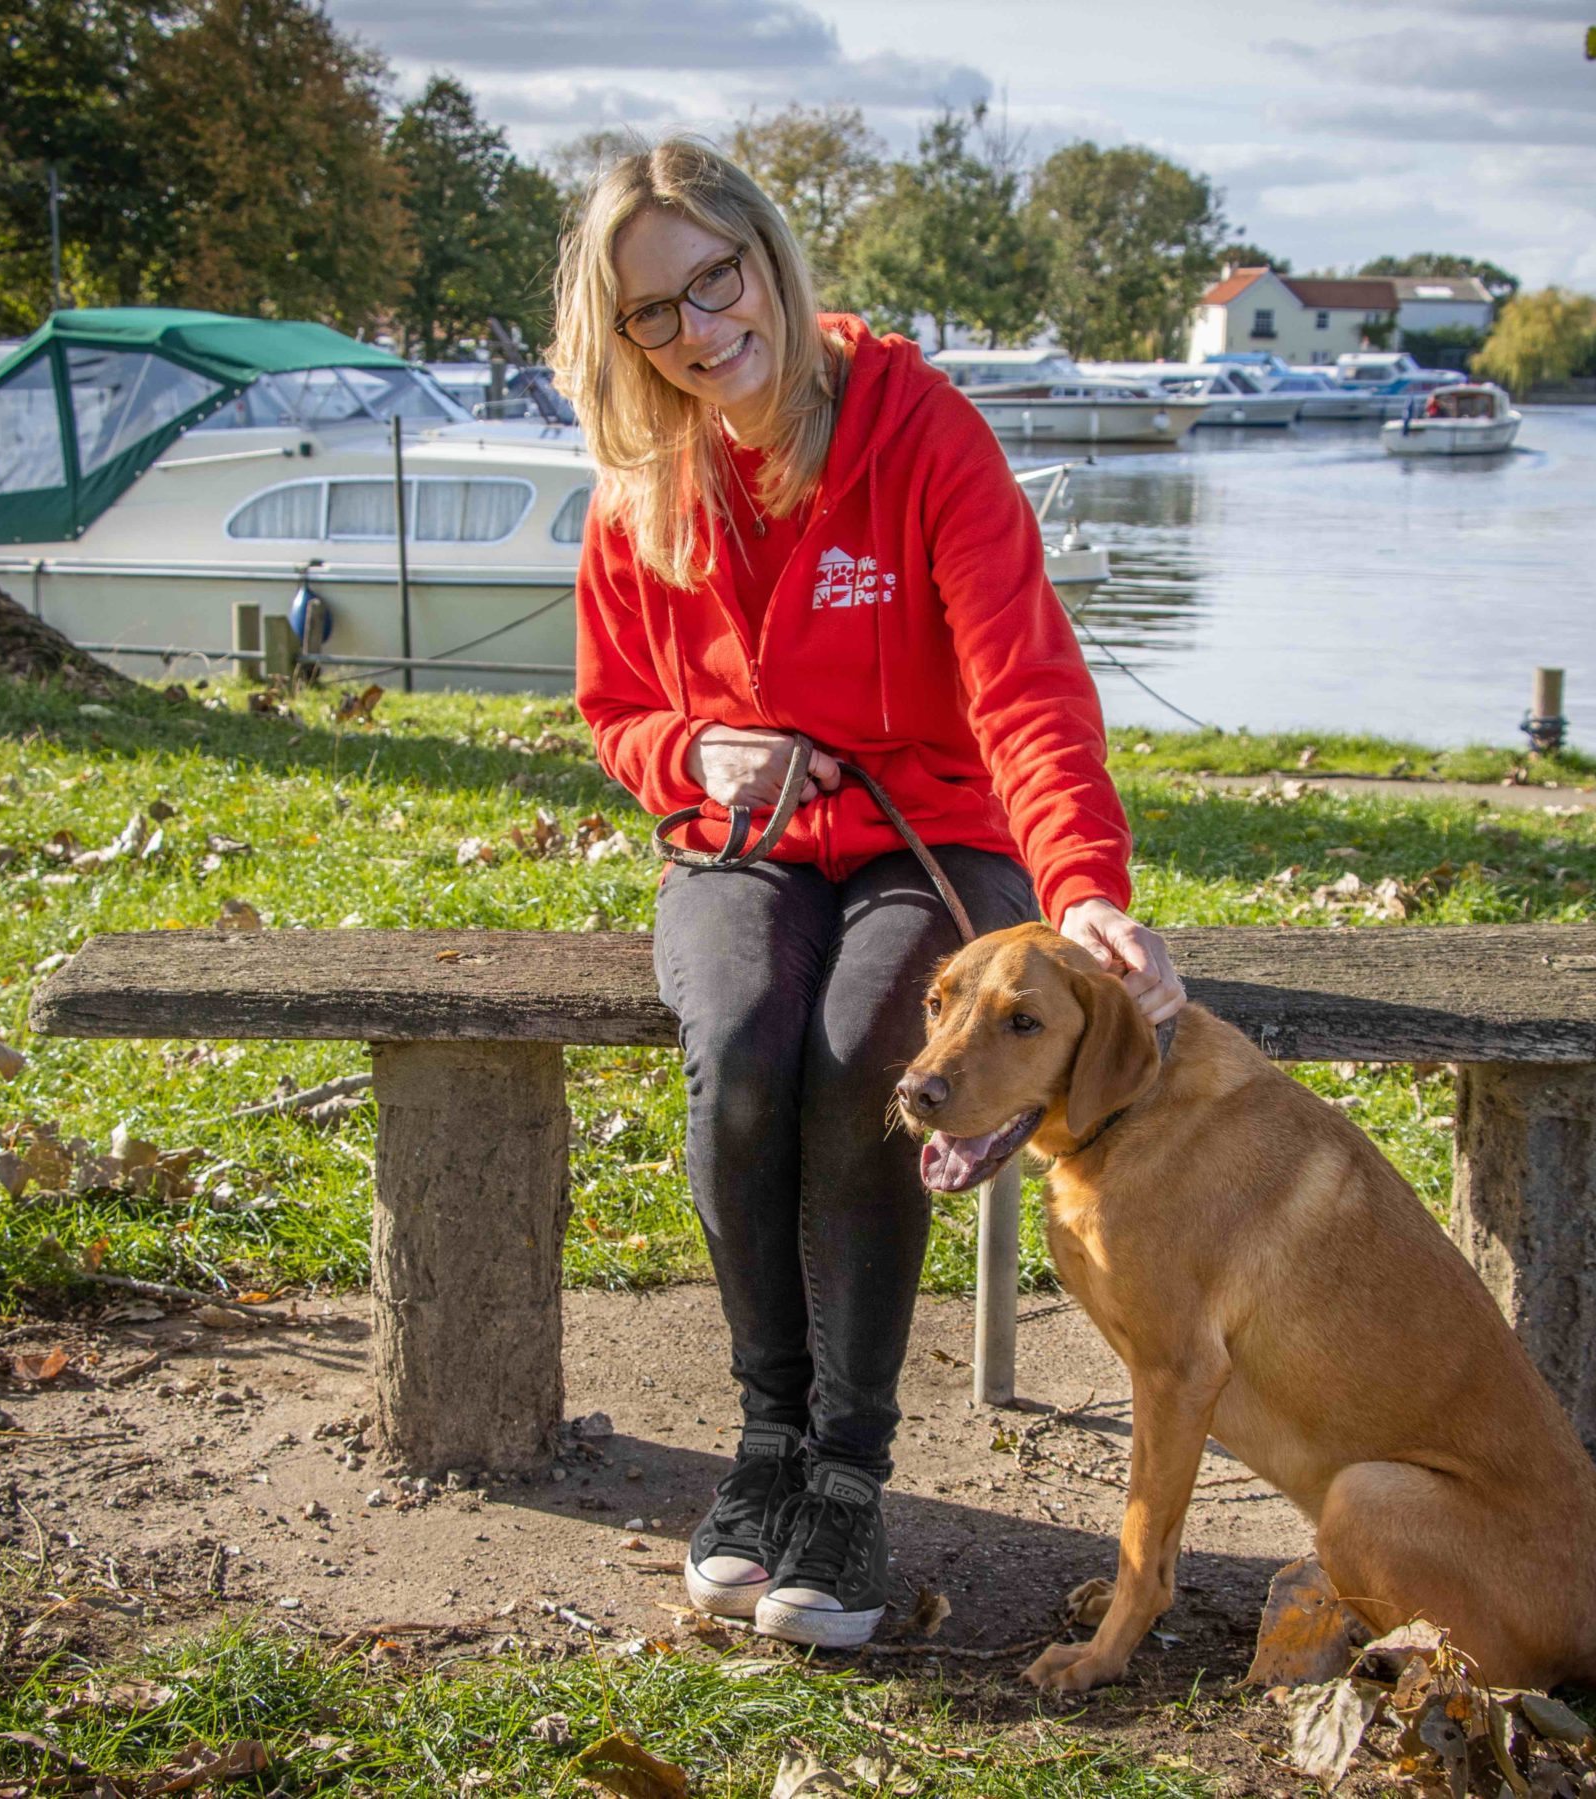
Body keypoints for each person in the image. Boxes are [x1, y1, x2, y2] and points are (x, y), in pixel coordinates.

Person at [550, 138, 1184, 1650]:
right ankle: (765, 1443)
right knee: (751, 1044)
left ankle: (849, 1469)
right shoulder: (640, 489)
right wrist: (696, 749)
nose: (705, 330)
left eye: (722, 278)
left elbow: (1025, 687)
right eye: (658, 313)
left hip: (934, 834)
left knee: (863, 1058)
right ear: (622, 338)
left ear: (770, 257)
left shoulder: (914, 429)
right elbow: (615, 712)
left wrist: (1084, 885)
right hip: (741, 843)